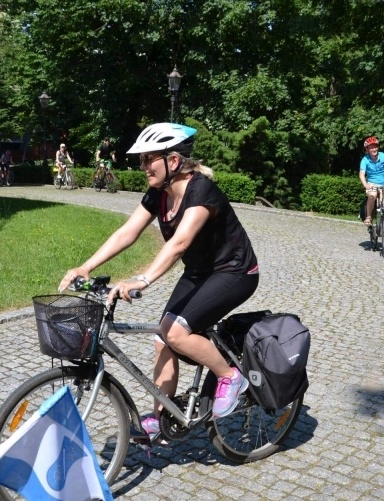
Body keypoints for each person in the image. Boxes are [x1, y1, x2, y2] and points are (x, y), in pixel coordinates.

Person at [59, 123, 259, 437]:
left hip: (234, 272)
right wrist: (86, 266)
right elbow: (128, 232)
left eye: (148, 159)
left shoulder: (201, 191)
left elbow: (179, 244)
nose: (142, 167)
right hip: (199, 273)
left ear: (174, 161)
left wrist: (143, 279)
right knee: (161, 339)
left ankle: (231, 376)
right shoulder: (158, 194)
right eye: (141, 160)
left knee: (176, 333)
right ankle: (160, 418)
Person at [359, 135, 384, 231]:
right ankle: (368, 217)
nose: (374, 149)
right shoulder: (365, 160)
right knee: (372, 195)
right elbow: (362, 174)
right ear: (367, 149)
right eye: (371, 147)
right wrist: (365, 184)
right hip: (372, 184)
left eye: (375, 146)